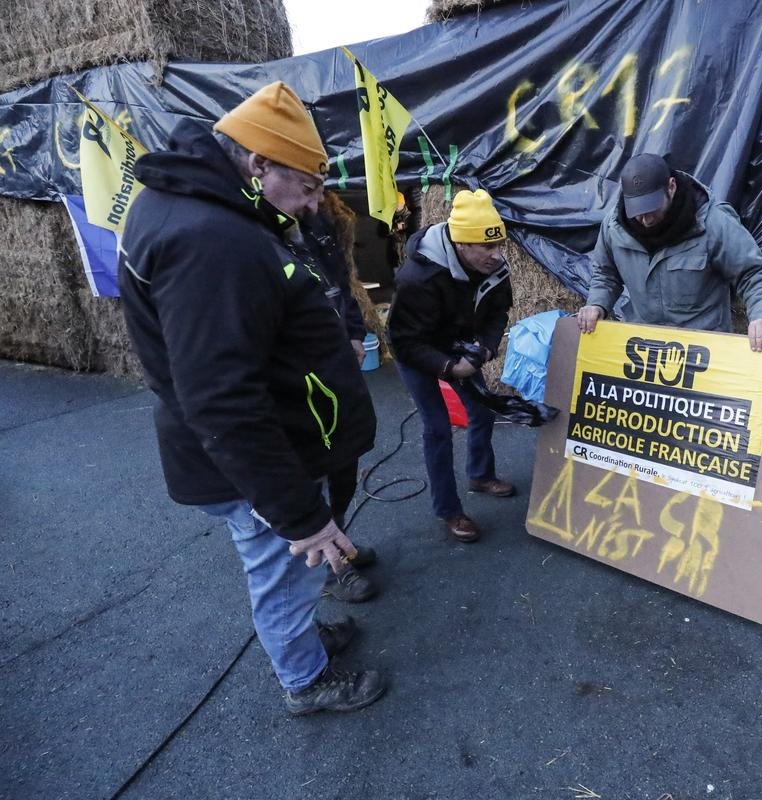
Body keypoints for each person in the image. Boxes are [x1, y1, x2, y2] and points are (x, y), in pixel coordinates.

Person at [119, 81, 386, 714]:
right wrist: (301, 514)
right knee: (282, 565)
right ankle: (305, 680)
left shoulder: (200, 203)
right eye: (309, 187)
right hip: (253, 461)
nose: (315, 206)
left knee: (286, 570)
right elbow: (222, 399)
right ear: (260, 162)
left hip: (254, 448)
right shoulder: (212, 240)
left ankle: (304, 644)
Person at [387, 189, 516, 544]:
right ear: (461, 244)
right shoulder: (417, 277)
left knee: (483, 410)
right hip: (416, 351)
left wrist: (486, 349)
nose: (497, 255)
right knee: (437, 428)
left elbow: (498, 312)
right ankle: (449, 510)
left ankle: (480, 474)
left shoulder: (495, 267)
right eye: (487, 248)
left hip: (459, 345)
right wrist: (447, 367)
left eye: (500, 244)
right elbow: (401, 340)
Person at [577, 153, 762, 352]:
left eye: (652, 208)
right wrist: (597, 304)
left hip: (705, 350)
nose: (646, 220)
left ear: (671, 187)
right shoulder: (614, 228)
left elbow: (754, 273)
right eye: (638, 211)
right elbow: (606, 274)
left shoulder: (713, 223)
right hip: (645, 348)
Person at [301, 201, 380, 603]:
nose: (312, 198)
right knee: (309, 477)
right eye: (305, 187)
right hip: (300, 383)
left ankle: (340, 540)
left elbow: (343, 289)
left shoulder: (321, 225)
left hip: (336, 372)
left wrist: (352, 333)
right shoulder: (254, 235)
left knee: (345, 464)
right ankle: (332, 567)